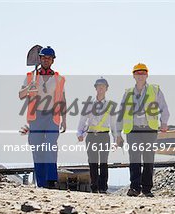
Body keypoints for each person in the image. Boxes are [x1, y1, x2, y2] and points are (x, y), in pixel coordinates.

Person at [116, 63, 170, 197]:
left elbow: (164, 108)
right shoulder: (128, 93)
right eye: (138, 73)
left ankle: (146, 189)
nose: (140, 75)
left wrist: (164, 123)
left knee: (148, 159)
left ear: (147, 75)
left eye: (143, 73)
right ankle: (134, 188)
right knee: (134, 159)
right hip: (133, 130)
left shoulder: (155, 90)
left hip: (149, 129)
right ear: (133, 76)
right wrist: (118, 133)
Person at [18, 46, 66, 188]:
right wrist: (29, 87)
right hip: (36, 117)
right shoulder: (30, 76)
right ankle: (42, 183)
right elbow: (20, 95)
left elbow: (62, 99)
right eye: (44, 57)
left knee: (51, 146)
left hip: (52, 116)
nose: (46, 60)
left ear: (52, 61)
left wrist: (65, 120)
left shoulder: (58, 78)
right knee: (37, 149)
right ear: (40, 59)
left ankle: (51, 180)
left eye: (49, 58)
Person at [77, 77, 117, 193]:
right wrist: (79, 134)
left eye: (103, 86)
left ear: (106, 88)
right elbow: (82, 120)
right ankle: (94, 188)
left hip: (104, 136)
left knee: (104, 162)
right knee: (93, 162)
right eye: (98, 86)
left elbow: (114, 124)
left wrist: (115, 140)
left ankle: (103, 188)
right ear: (95, 88)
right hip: (91, 135)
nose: (100, 88)